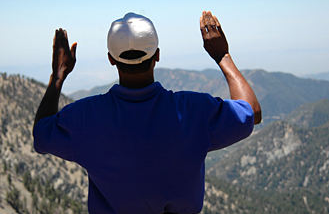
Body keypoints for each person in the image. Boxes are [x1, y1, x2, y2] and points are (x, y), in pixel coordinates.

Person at [33, 11, 261, 214]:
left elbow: (41, 136)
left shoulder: (83, 118)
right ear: (157, 55)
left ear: (111, 59)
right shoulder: (195, 110)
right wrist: (223, 56)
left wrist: (59, 74)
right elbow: (252, 111)